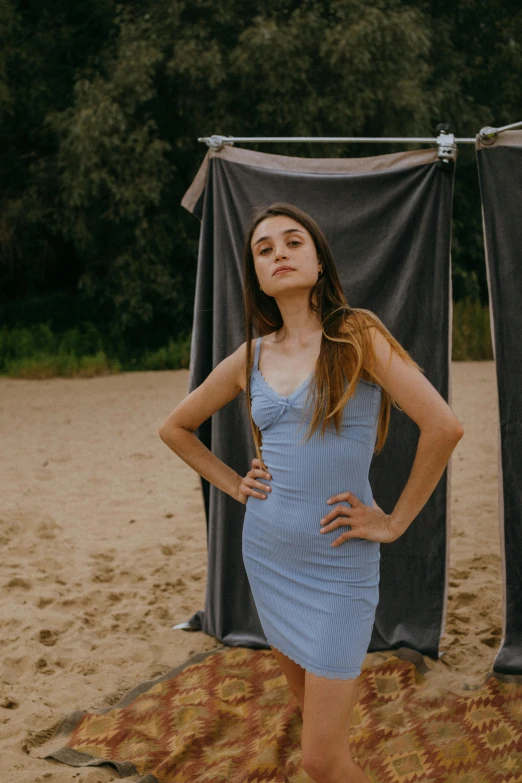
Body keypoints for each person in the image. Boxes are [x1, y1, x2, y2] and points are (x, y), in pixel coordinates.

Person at [159, 202, 464, 783]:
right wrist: (234, 484)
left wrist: (394, 522)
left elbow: (444, 427)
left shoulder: (357, 336)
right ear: (257, 273)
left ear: (318, 260)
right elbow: (174, 427)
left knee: (319, 760)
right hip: (269, 556)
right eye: (265, 248)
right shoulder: (252, 355)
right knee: (311, 718)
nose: (279, 254)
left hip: (338, 566)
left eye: (293, 242)